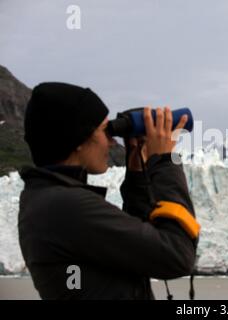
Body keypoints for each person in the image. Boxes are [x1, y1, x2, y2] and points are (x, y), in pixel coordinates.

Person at [18, 82, 200, 299]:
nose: (112, 142)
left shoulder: (49, 200)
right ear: (78, 138)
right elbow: (177, 255)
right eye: (106, 130)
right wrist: (165, 160)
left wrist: (137, 174)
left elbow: (138, 249)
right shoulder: (67, 206)